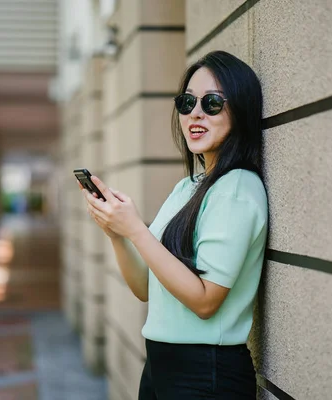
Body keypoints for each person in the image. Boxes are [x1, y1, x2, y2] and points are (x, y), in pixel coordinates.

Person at [78, 50, 267, 399]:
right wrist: (117, 234)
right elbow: (146, 289)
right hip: (161, 367)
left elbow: (205, 301)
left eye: (211, 103)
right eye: (187, 102)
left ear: (240, 111)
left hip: (205, 374)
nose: (195, 113)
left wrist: (135, 228)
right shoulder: (188, 187)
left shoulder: (237, 188)